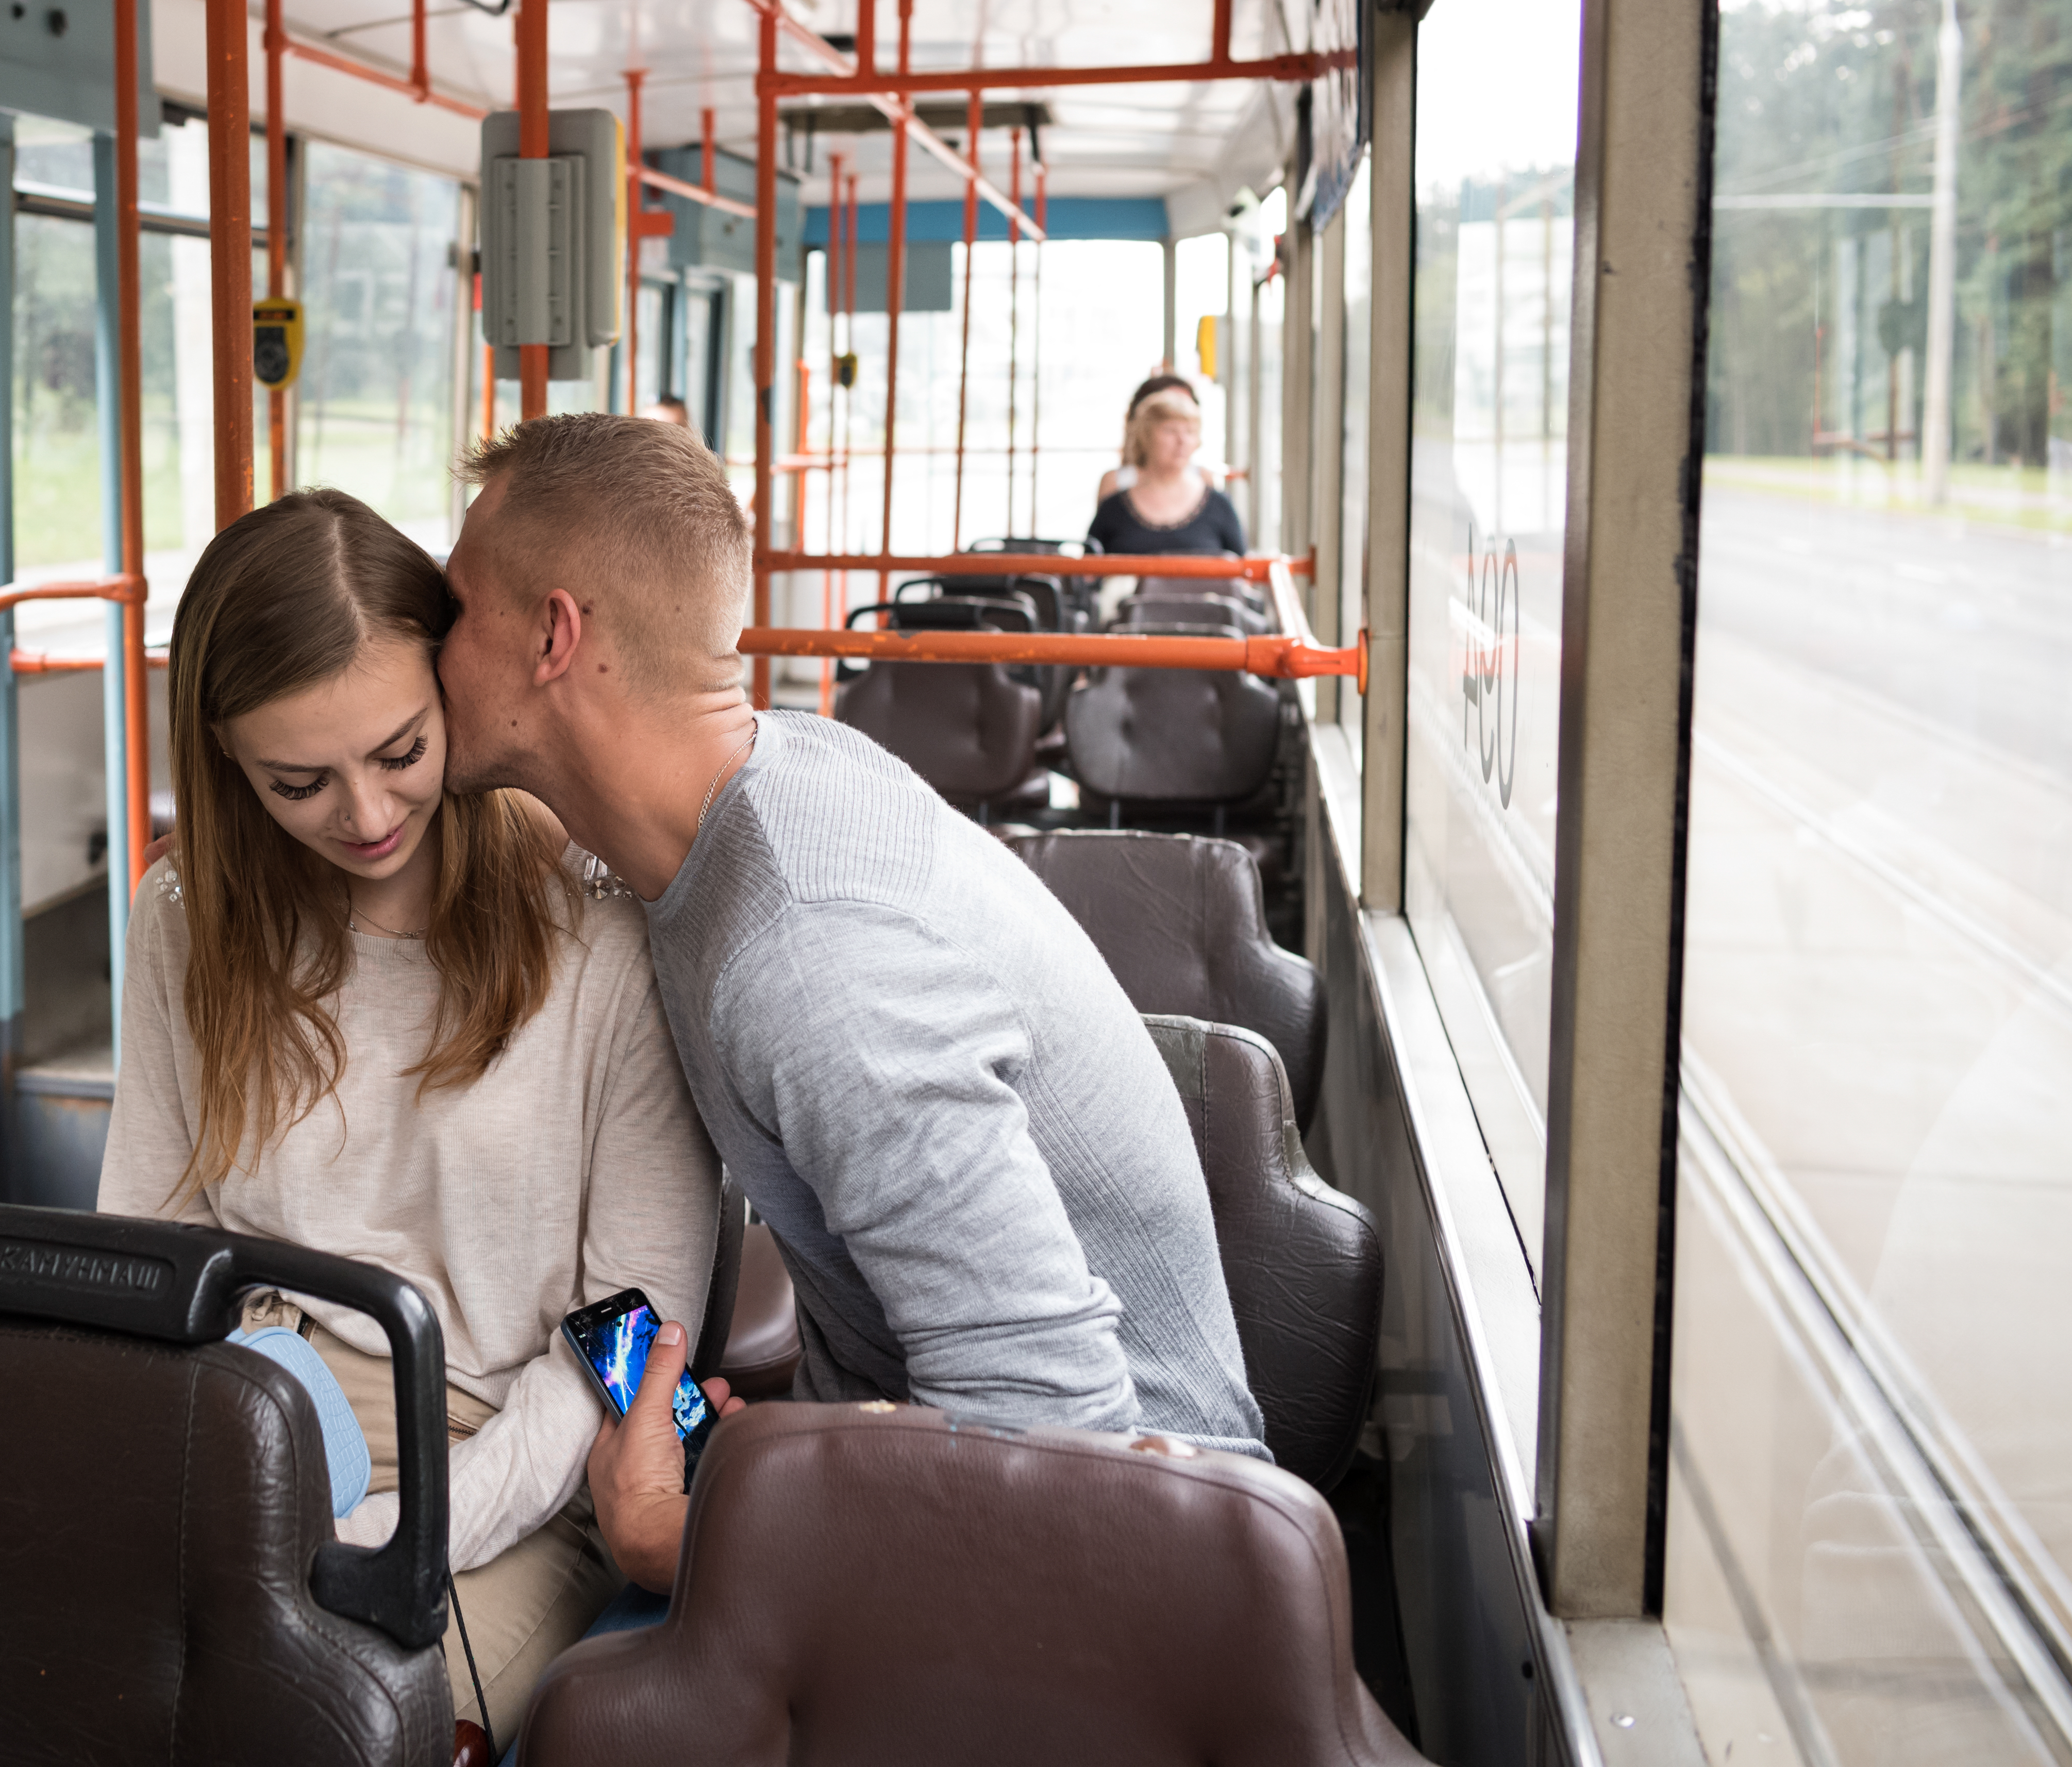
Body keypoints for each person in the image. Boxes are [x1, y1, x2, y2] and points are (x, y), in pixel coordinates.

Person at [436, 414, 1264, 1596]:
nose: (430, 647)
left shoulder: (810, 956)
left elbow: (1056, 1453)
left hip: (1139, 1550)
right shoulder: (751, 798)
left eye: (456, 608)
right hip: (930, 1443)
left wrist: (680, 1542)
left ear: (552, 636)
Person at [98, 487, 720, 1748]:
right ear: (227, 765)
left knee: (321, 1724)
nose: (368, 818)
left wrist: (413, 1529)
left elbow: (629, 1326)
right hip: (255, 1413)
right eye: (297, 783)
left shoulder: (602, 929)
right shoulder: (186, 924)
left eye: (399, 753)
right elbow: (148, 1247)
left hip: (514, 1451)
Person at [1089, 374, 1244, 556]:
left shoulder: (1218, 504)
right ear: (1146, 436)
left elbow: (1242, 568)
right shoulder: (1114, 505)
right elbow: (1090, 571)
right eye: (1170, 430)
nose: (1182, 441)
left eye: (1190, 432)